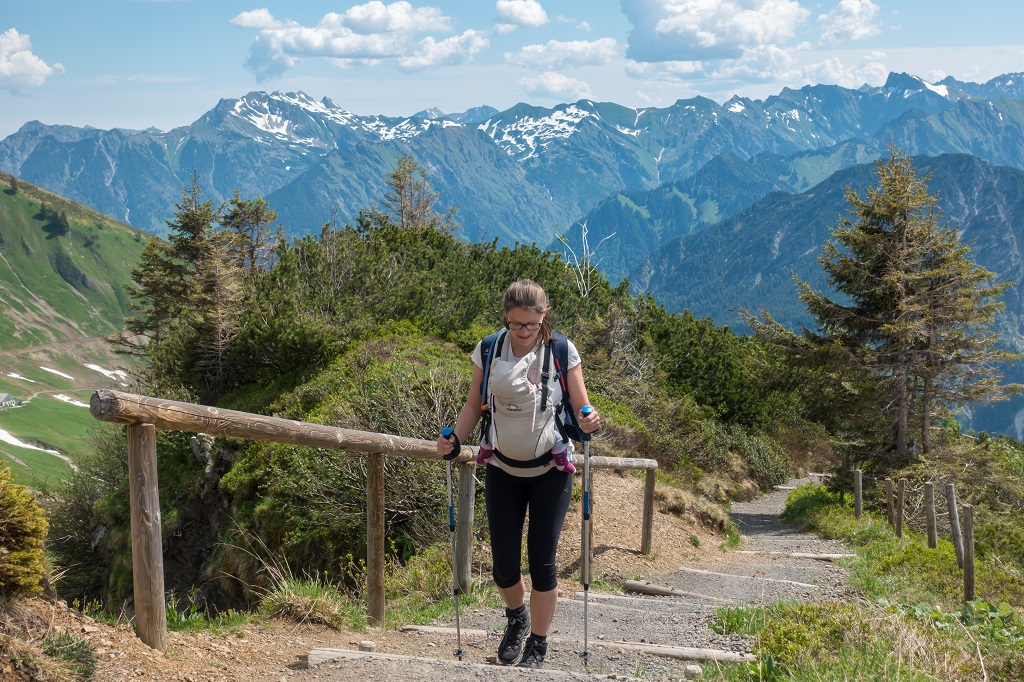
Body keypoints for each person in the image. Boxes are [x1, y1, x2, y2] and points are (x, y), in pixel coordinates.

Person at [437, 279, 600, 669]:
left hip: (551, 469)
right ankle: (517, 617)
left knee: (542, 562)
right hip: (502, 468)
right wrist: (455, 441)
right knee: (505, 566)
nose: (525, 331)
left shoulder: (561, 350)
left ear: (545, 315)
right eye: (517, 324)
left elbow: (582, 406)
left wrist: (591, 419)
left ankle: (538, 645)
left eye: (533, 323)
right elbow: (474, 404)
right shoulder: (490, 349)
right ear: (506, 318)